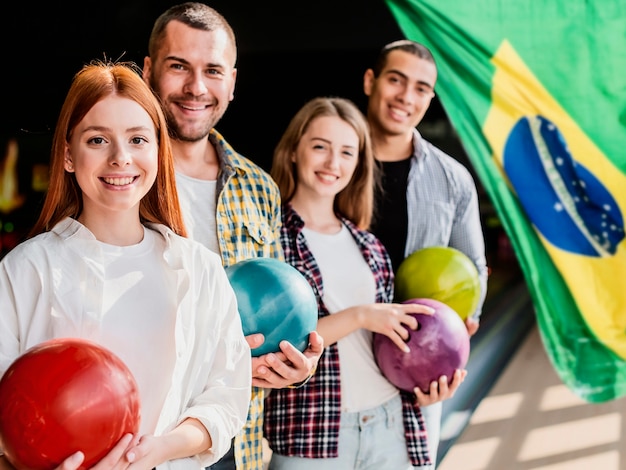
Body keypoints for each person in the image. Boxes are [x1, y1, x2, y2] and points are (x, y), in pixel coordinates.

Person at [0, 61, 250, 469]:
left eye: (137, 139)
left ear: (157, 150)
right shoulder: (24, 270)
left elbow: (227, 395)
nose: (120, 158)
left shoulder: (199, 269)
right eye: (98, 140)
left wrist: (160, 448)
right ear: (67, 154)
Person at [141, 3, 323, 469]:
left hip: (233, 444)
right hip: (141, 435)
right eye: (178, 66)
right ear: (148, 72)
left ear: (233, 83)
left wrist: (294, 366)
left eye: (213, 71)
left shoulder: (259, 187)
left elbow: (283, 309)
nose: (196, 88)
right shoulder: (121, 177)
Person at [264, 97, 466, 469]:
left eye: (347, 152)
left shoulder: (368, 246)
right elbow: (278, 345)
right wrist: (360, 316)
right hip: (313, 434)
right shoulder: (269, 242)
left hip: (391, 423)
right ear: (294, 151)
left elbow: (391, 346)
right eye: (320, 147)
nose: (332, 163)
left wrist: (425, 384)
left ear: (358, 165)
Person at [363, 39, 490, 467]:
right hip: (337, 363)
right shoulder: (333, 162)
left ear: (430, 99)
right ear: (370, 82)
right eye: (396, 80)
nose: (406, 96)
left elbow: (472, 275)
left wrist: (450, 353)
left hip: (415, 370)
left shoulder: (452, 179)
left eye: (421, 88)